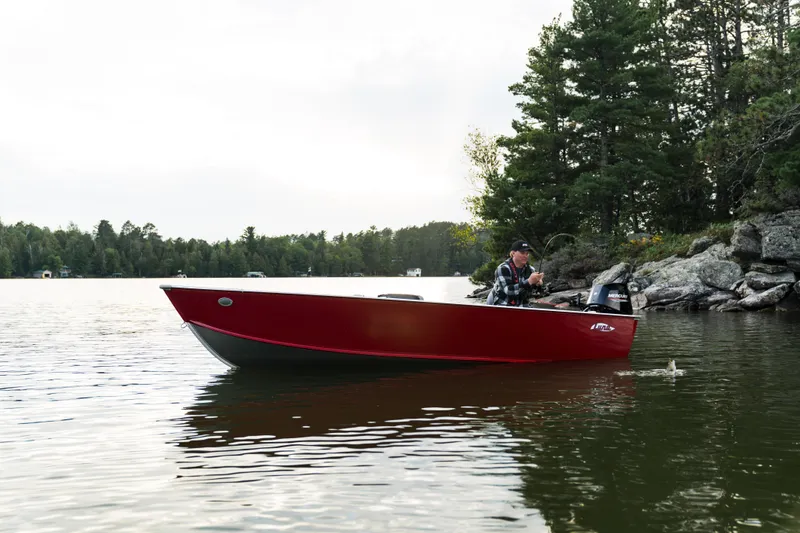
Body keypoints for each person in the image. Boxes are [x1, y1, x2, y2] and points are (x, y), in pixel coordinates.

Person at [486, 240, 544, 306]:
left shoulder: (531, 270)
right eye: (522, 253)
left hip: (523, 306)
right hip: (503, 306)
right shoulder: (503, 268)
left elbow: (535, 294)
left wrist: (538, 285)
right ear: (513, 253)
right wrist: (529, 281)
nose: (525, 256)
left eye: (527, 253)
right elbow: (508, 291)